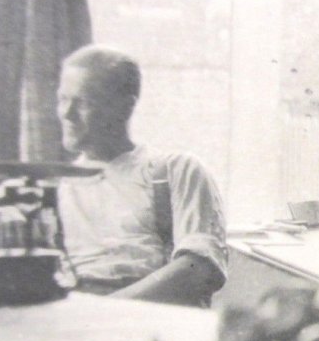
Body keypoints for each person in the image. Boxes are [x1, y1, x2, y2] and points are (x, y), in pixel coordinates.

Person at [54, 46, 227, 305]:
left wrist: (103, 311)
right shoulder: (57, 189)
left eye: (84, 102)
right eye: (62, 99)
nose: (67, 114)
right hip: (79, 315)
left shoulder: (175, 171)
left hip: (155, 315)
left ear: (125, 107)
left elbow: (198, 270)